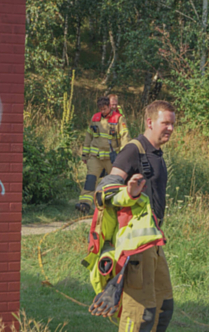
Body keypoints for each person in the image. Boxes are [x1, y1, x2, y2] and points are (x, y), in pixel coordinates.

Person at [95, 100, 176, 332]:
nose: (170, 128)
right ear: (150, 122)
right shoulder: (133, 150)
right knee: (140, 313)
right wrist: (128, 193)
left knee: (163, 307)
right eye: (165, 123)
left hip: (153, 242)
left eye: (173, 124)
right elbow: (104, 191)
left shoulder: (156, 154)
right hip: (135, 249)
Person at [77, 96, 130, 214]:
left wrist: (124, 156)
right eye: (101, 109)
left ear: (109, 107)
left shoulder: (118, 119)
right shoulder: (95, 118)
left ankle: (116, 206)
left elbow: (125, 137)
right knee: (90, 180)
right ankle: (84, 204)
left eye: (104, 109)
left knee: (115, 181)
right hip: (95, 157)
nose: (102, 111)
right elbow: (88, 136)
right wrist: (85, 155)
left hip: (112, 158)